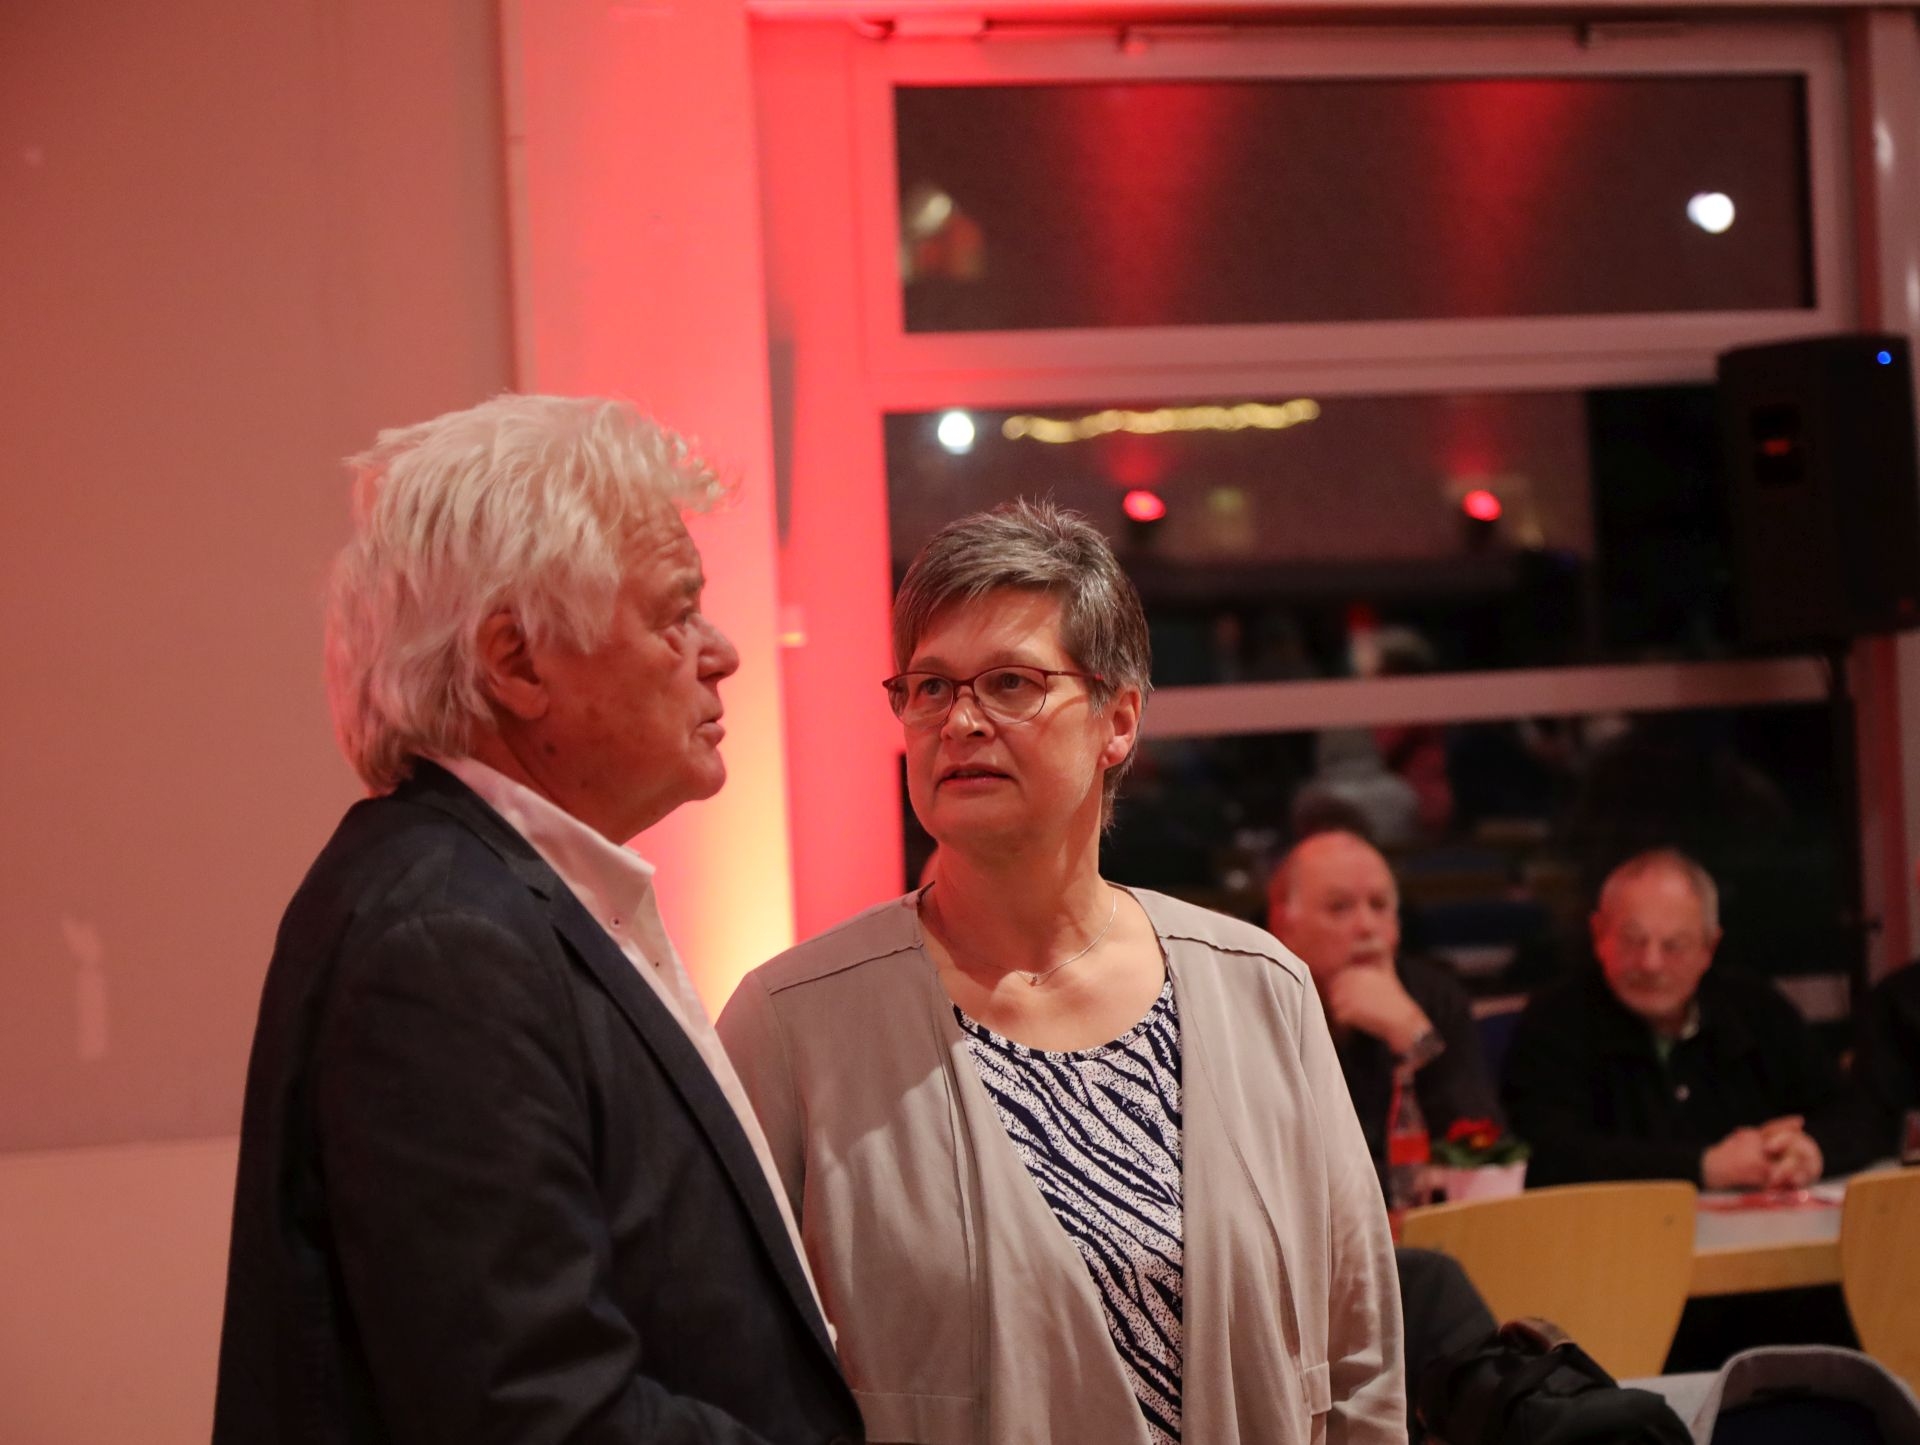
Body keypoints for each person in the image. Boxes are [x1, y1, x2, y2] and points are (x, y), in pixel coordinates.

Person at [213, 397, 861, 1445]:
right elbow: (536, 1414)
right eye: (676, 613)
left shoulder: (488, 895)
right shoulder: (445, 937)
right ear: (516, 663)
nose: (722, 650)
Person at [718, 501, 1404, 1445]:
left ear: (1118, 719)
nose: (961, 720)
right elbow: (725, 1365)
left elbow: (1361, 1356)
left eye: (1010, 683)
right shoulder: (794, 1021)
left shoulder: (1259, 989)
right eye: (929, 686)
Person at [1502, 848, 1862, 1191]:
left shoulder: (1756, 1010)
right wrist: (1705, 1166)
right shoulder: (1554, 1020)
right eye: (1633, 940)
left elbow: (1855, 1114)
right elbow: (1545, 1154)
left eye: (1674, 945)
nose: (1651, 963)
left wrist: (1806, 1149)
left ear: (1709, 948)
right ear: (1598, 935)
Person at [1268, 829, 1504, 1183]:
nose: (1367, 927)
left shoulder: (1434, 996)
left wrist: (1416, 1039)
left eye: (1379, 906)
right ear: (1283, 924)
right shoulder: (1252, 1006)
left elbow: (1485, 1155)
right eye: (1339, 907)